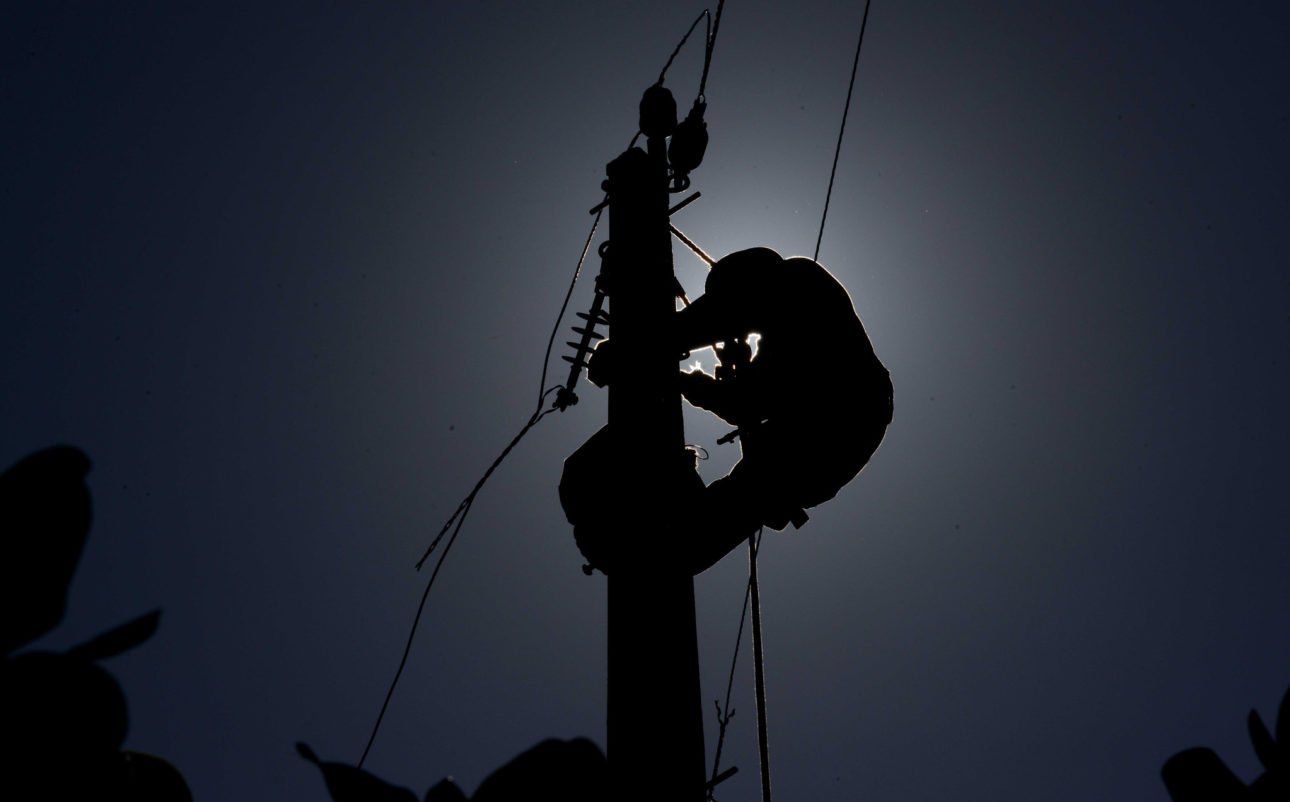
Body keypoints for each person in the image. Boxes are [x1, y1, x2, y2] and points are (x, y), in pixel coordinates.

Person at [561, 247, 892, 575]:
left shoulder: (799, 298)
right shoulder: (792, 303)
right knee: (680, 536)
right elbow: (717, 336)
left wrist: (649, 358)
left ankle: (647, 509)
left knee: (680, 546)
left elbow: (741, 393)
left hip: (823, 444)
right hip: (817, 442)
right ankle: (658, 495)